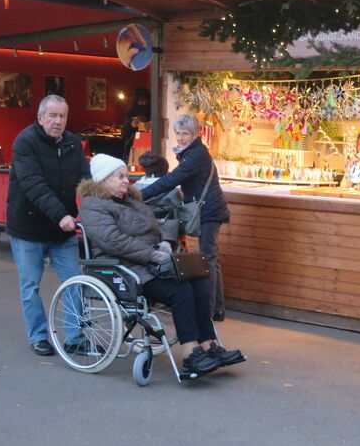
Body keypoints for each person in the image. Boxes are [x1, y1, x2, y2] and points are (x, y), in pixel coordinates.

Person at [77, 154, 243, 375]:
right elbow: (114, 242)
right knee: (181, 291)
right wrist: (151, 254)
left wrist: (164, 243)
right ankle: (190, 353)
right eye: (120, 176)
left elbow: (155, 227)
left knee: (199, 279)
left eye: (126, 175)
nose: (126, 180)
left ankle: (209, 344)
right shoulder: (93, 207)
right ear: (104, 179)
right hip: (124, 268)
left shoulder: (131, 200)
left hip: (149, 262)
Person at [7, 94, 91, 356]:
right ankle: (39, 336)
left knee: (74, 281)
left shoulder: (72, 142)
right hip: (29, 226)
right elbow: (34, 184)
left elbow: (85, 177)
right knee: (31, 285)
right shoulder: (25, 142)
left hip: (61, 229)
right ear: (40, 117)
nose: (58, 121)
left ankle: (75, 337)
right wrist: (61, 215)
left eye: (62, 116)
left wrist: (99, 202)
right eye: (52, 115)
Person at [139, 114, 229, 321]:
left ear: (195, 134)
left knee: (208, 259)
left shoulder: (195, 155)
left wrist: (140, 195)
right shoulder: (192, 152)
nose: (180, 138)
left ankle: (208, 311)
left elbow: (171, 180)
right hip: (208, 208)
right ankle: (217, 309)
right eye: (178, 133)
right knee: (211, 259)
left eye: (185, 134)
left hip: (209, 210)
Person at [132, 151, 182, 247]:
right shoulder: (172, 190)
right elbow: (179, 206)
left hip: (142, 229)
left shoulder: (134, 189)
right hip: (168, 230)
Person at [121, 87, 150, 164]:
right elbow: (124, 133)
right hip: (132, 146)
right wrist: (131, 125)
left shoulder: (151, 112)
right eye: (138, 101)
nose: (141, 103)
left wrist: (147, 124)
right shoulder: (131, 113)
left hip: (147, 146)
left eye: (143, 100)